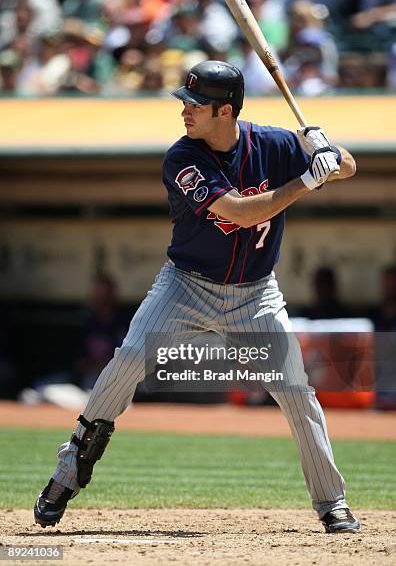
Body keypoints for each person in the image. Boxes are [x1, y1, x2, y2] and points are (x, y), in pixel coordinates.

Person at [34, 60, 360, 534]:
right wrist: (309, 179)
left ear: (224, 111)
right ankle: (67, 474)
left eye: (195, 104)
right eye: (185, 102)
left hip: (256, 295)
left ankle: (332, 503)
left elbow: (349, 167)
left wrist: (324, 148)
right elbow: (242, 213)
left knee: (294, 391)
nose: (185, 110)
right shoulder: (182, 158)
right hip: (186, 286)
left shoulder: (274, 144)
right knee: (126, 362)